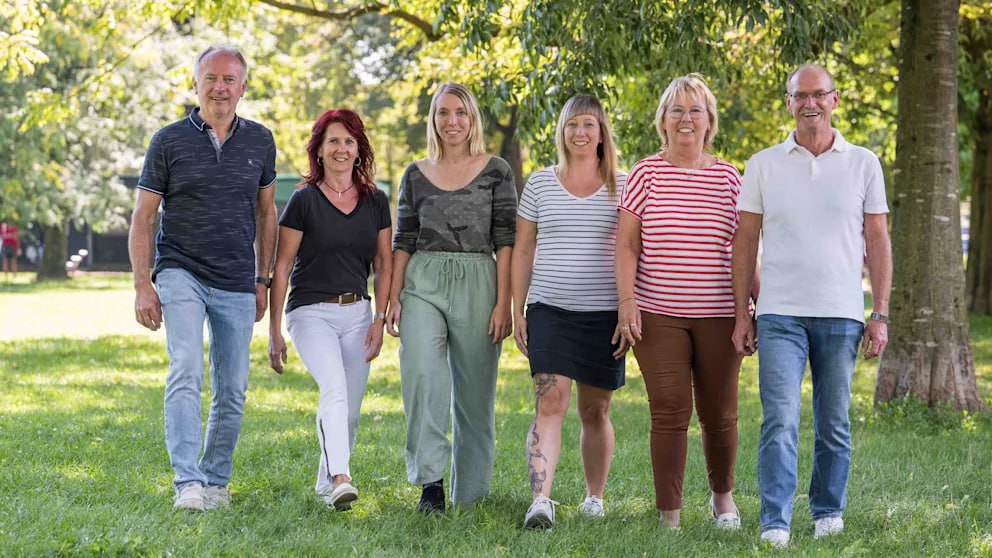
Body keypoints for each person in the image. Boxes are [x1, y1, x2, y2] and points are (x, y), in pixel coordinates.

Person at [731, 64, 892, 549]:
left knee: (834, 421)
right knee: (779, 419)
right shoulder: (763, 164)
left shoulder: (863, 163)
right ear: (788, 103)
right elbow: (745, 240)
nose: (810, 103)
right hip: (779, 313)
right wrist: (742, 314)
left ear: (834, 99)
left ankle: (828, 511)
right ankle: (775, 521)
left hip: (841, 313)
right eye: (800, 96)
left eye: (818, 94)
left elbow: (878, 240)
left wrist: (879, 313)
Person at [128, 45, 277, 511]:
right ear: (195, 84)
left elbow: (266, 213)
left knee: (232, 388)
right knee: (187, 369)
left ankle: (215, 482)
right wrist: (142, 284)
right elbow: (143, 216)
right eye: (211, 78)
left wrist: (262, 279)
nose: (220, 87)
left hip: (236, 277)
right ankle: (187, 483)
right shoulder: (168, 141)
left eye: (229, 79)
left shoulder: (260, 141)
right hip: (181, 270)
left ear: (243, 87)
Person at [616, 74, 747, 530]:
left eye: (695, 111)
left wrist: (752, 309)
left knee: (720, 411)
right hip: (658, 314)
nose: (686, 119)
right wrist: (627, 302)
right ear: (663, 121)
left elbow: (744, 249)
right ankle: (669, 514)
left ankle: (722, 499)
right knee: (670, 407)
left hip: (720, 315)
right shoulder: (644, 174)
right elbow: (626, 244)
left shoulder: (729, 177)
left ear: (709, 121)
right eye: (677, 111)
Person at [387, 82, 517, 512]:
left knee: (475, 395)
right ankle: (431, 485)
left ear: (472, 118)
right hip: (423, 280)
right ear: (433, 120)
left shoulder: (497, 170)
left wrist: (503, 303)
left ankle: (471, 493)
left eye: (460, 112)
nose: (452, 121)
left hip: (480, 280)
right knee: (422, 373)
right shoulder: (415, 173)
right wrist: (393, 297)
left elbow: (506, 240)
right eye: (443, 113)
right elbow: (403, 240)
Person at [267, 109, 392, 510]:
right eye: (333, 141)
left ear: (359, 149)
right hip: (310, 312)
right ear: (319, 150)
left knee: (349, 410)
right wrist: (274, 330)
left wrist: (379, 318)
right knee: (334, 390)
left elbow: (384, 264)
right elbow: (282, 266)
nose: (341, 148)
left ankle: (327, 486)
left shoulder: (376, 201)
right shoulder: (304, 200)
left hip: (358, 313)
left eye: (349, 141)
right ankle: (342, 477)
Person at [511, 94, 626, 529]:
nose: (580, 132)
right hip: (549, 310)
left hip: (604, 316)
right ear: (562, 131)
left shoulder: (623, 185)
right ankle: (540, 501)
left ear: (601, 133)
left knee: (595, 411)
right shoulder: (540, 184)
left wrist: (630, 310)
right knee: (550, 401)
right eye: (572, 124)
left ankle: (594, 497)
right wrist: (518, 310)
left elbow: (634, 250)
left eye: (588, 124)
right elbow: (524, 249)